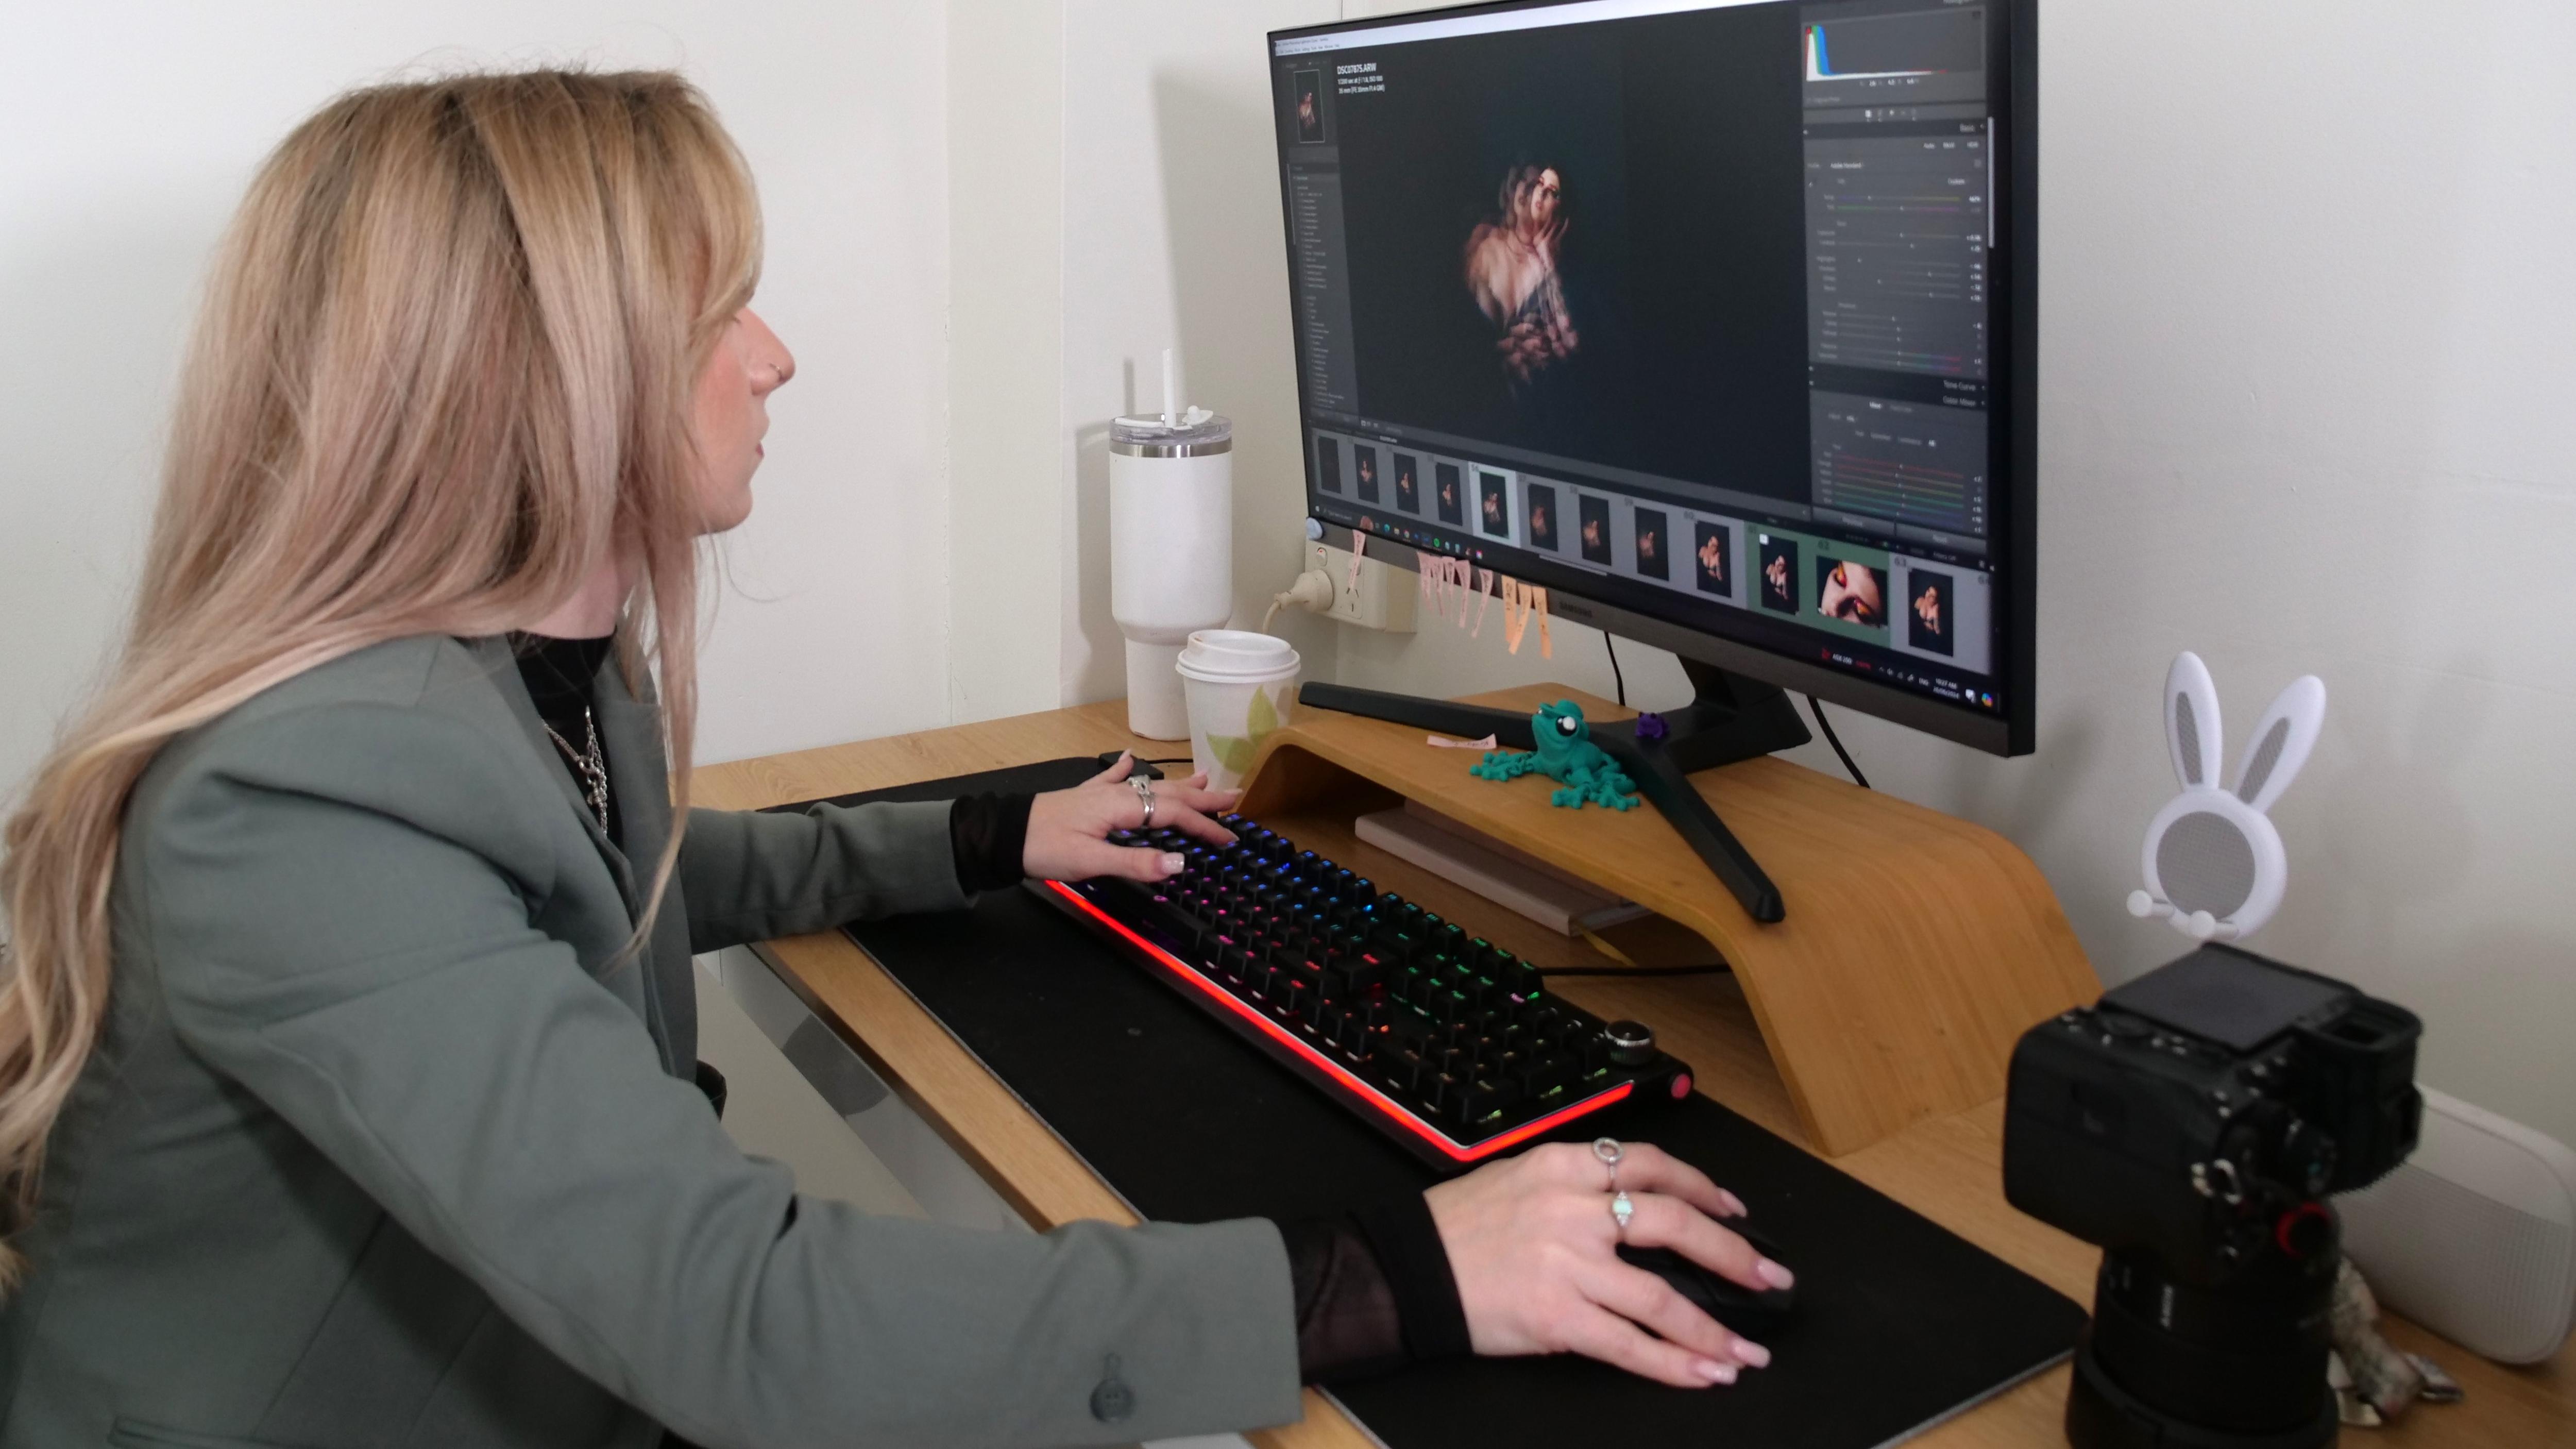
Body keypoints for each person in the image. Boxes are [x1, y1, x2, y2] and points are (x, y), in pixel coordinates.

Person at [0, 71, 1785, 1449]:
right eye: (722, 315)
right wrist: (1395, 1271)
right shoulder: (295, 801)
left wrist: (993, 839)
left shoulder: (526, 671)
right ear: (548, 374)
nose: (773, 359)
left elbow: (626, 877)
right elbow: (741, 1316)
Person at [1463, 164, 1578, 385]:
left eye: (1535, 183)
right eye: (1523, 181)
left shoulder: (1549, 267)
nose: (1527, 189)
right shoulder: (1488, 248)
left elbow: (1567, 348)